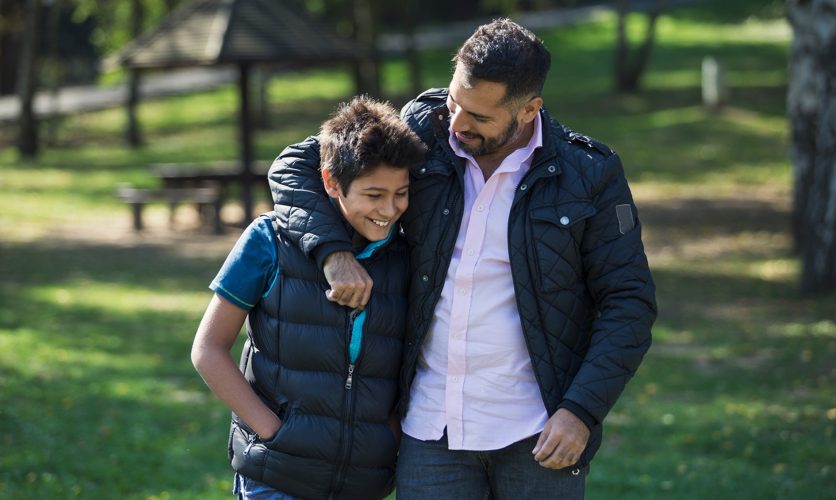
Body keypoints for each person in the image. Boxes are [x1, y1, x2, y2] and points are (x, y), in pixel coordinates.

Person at [268, 19, 657, 499]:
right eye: (455, 100)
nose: (456, 123)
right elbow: (295, 165)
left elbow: (629, 303)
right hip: (429, 429)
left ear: (530, 109)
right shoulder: (423, 126)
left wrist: (581, 410)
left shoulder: (590, 174)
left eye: (478, 116)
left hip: (539, 432)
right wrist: (333, 252)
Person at [191, 96, 427, 500]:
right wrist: (272, 430)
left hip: (363, 486)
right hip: (275, 478)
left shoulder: (406, 259)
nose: (389, 210)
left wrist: (386, 439)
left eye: (401, 193)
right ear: (332, 182)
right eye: (373, 195)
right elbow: (208, 349)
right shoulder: (269, 240)